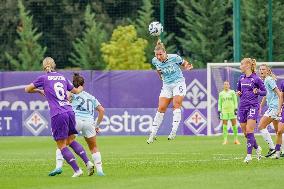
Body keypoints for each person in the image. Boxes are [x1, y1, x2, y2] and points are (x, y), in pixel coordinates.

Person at [25, 57, 94, 177]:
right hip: (69, 111)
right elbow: (76, 91)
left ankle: (77, 171)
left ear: (44, 66)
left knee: (61, 145)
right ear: (54, 65)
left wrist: (38, 91)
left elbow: (27, 89)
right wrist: (81, 86)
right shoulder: (62, 77)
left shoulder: (43, 78)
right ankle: (88, 162)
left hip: (58, 113)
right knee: (71, 140)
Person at [49, 73, 105, 176]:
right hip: (89, 122)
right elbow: (101, 110)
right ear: (83, 84)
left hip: (76, 120)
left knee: (63, 143)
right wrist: (96, 125)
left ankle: (58, 166)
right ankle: (100, 171)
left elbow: (63, 97)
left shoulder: (71, 93)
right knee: (93, 147)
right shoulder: (90, 97)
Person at [147, 39, 193, 144]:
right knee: (161, 108)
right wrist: (161, 77)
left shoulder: (174, 57)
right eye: (157, 55)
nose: (158, 57)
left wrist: (187, 66)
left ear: (165, 52)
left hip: (178, 83)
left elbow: (184, 63)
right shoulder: (155, 61)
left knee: (176, 105)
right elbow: (158, 71)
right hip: (167, 85)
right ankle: (152, 134)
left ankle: (173, 131)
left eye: (160, 54)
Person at [236, 58, 266, 163]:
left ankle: (249, 155)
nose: (240, 66)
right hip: (242, 107)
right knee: (246, 134)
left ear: (248, 65)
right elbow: (238, 90)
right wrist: (238, 93)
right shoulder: (241, 78)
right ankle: (257, 148)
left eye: (241, 64)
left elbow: (264, 92)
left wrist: (257, 91)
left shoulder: (256, 79)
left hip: (253, 106)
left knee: (249, 130)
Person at [258, 64, 282, 158]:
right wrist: (261, 105)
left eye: (263, 69)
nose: (261, 71)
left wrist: (280, 107)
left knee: (261, 126)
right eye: (260, 69)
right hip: (274, 107)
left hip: (274, 107)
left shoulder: (268, 79)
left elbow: (279, 93)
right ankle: (281, 151)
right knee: (278, 131)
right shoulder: (265, 80)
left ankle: (272, 148)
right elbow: (265, 94)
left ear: (268, 71)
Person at [273, 80, 284, 159]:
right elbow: (281, 96)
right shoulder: (283, 82)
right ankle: (277, 152)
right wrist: (279, 109)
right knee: (279, 131)